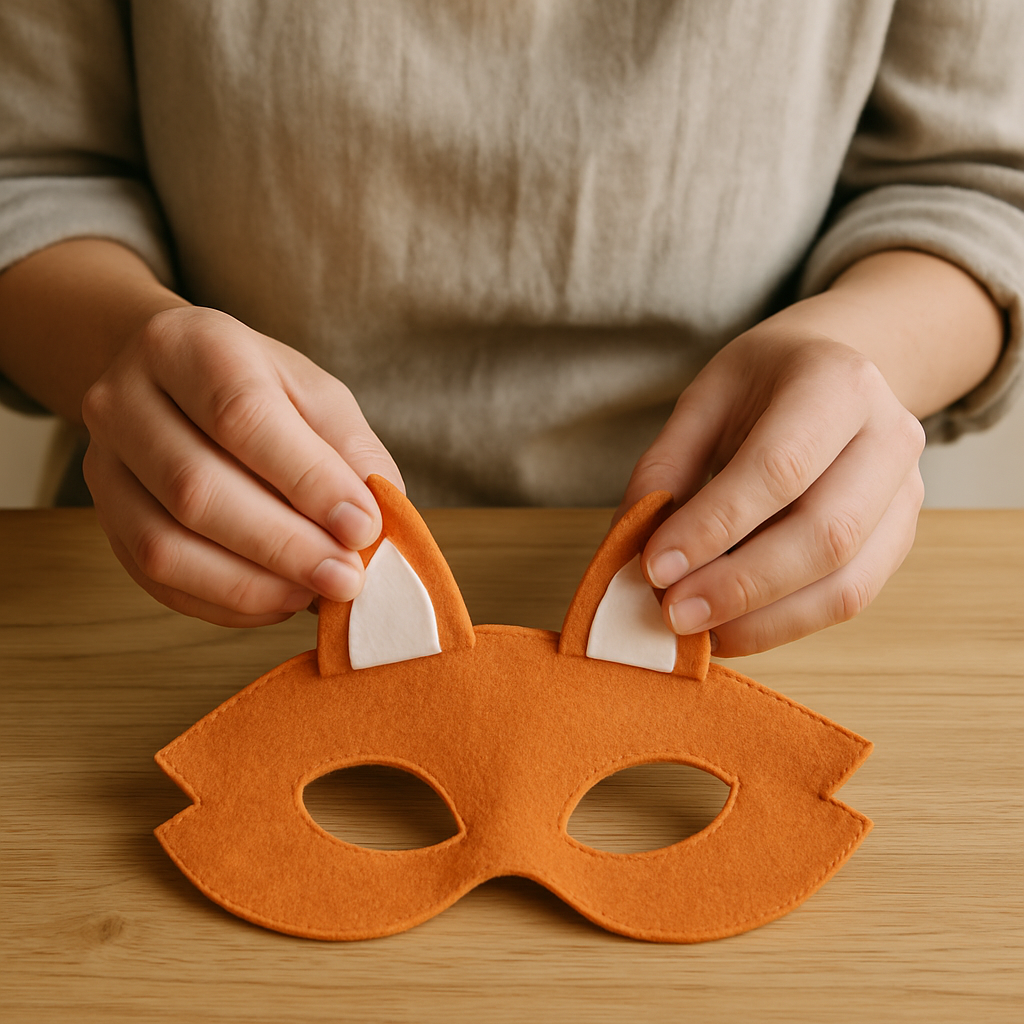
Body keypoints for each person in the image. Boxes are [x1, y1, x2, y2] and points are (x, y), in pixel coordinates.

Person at [0, 1, 1021, 657]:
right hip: (164, 583)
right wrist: (126, 342)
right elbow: (30, 169)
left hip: (785, 593)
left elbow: (973, 182)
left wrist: (859, 353)